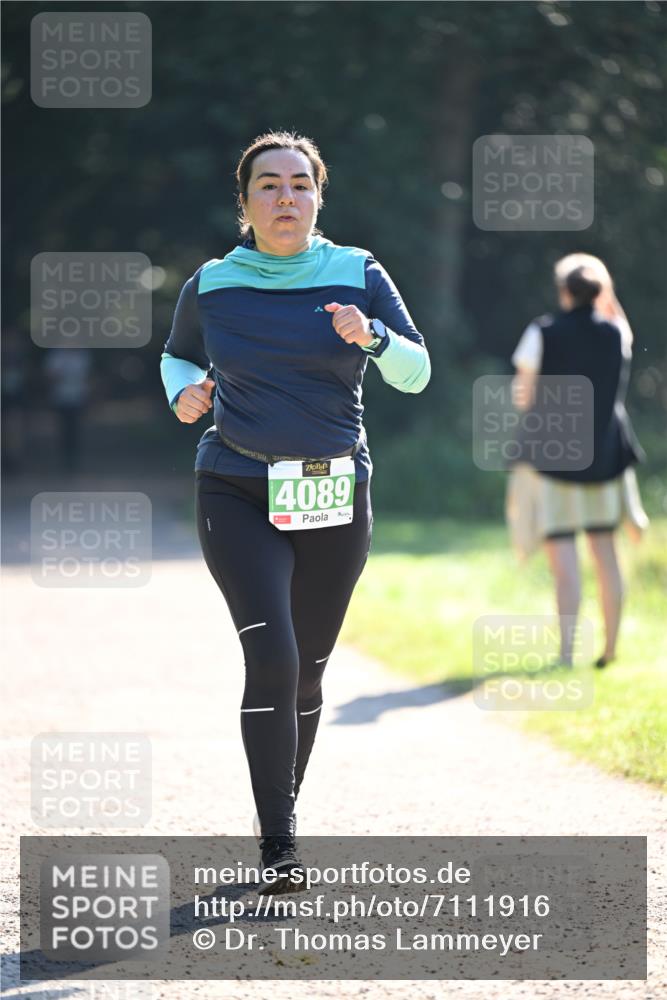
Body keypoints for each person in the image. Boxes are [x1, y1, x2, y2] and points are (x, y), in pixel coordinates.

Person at [160, 131, 430, 891]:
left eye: (300, 184)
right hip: (235, 485)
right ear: (243, 202)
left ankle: (279, 805)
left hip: (331, 491)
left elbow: (416, 371)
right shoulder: (213, 282)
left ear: (319, 195)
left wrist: (371, 335)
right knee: (271, 656)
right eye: (269, 185)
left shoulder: (357, 273)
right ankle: (278, 845)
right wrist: (182, 391)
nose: (287, 198)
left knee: (307, 671)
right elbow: (177, 353)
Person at [507, 253, 648, 668]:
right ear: (599, 292)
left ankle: (566, 654)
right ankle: (609, 649)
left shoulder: (542, 331)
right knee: (606, 554)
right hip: (605, 459)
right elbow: (618, 321)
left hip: (552, 463)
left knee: (565, 561)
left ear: (564, 290)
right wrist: (608, 291)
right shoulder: (616, 333)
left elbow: (522, 396)